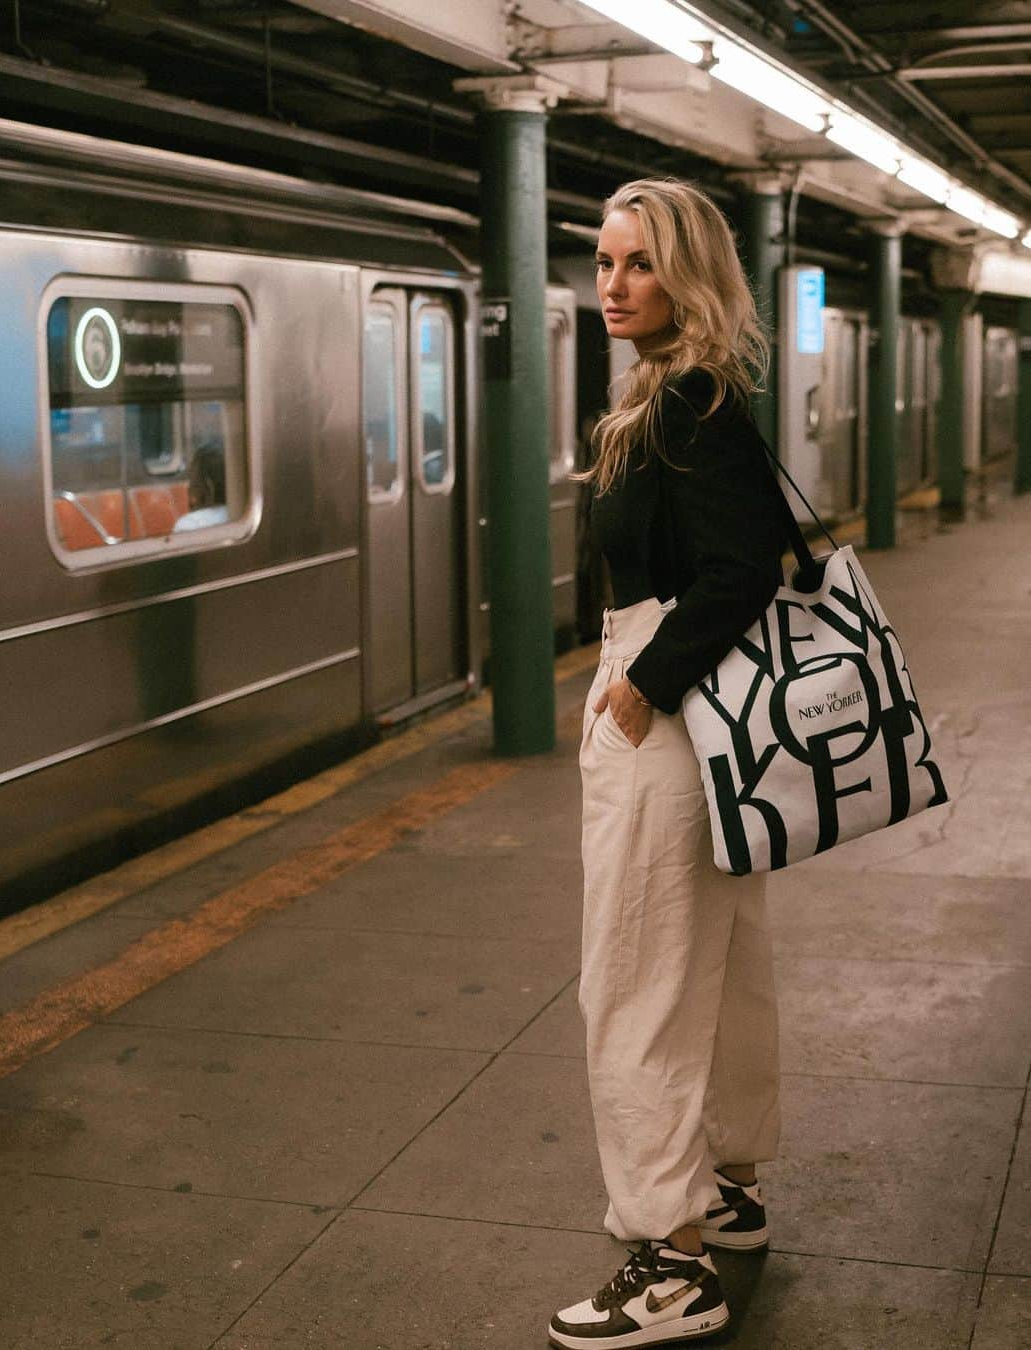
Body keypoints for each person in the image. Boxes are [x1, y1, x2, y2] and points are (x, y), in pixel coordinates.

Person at [548, 179, 788, 1348]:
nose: (612, 285)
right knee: (720, 966)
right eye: (603, 263)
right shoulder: (684, 397)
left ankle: (671, 1261)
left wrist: (642, 684)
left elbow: (743, 569)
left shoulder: (688, 404)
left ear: (685, 272)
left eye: (638, 264)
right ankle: (726, 1186)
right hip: (691, 711)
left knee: (633, 982)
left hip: (670, 710)